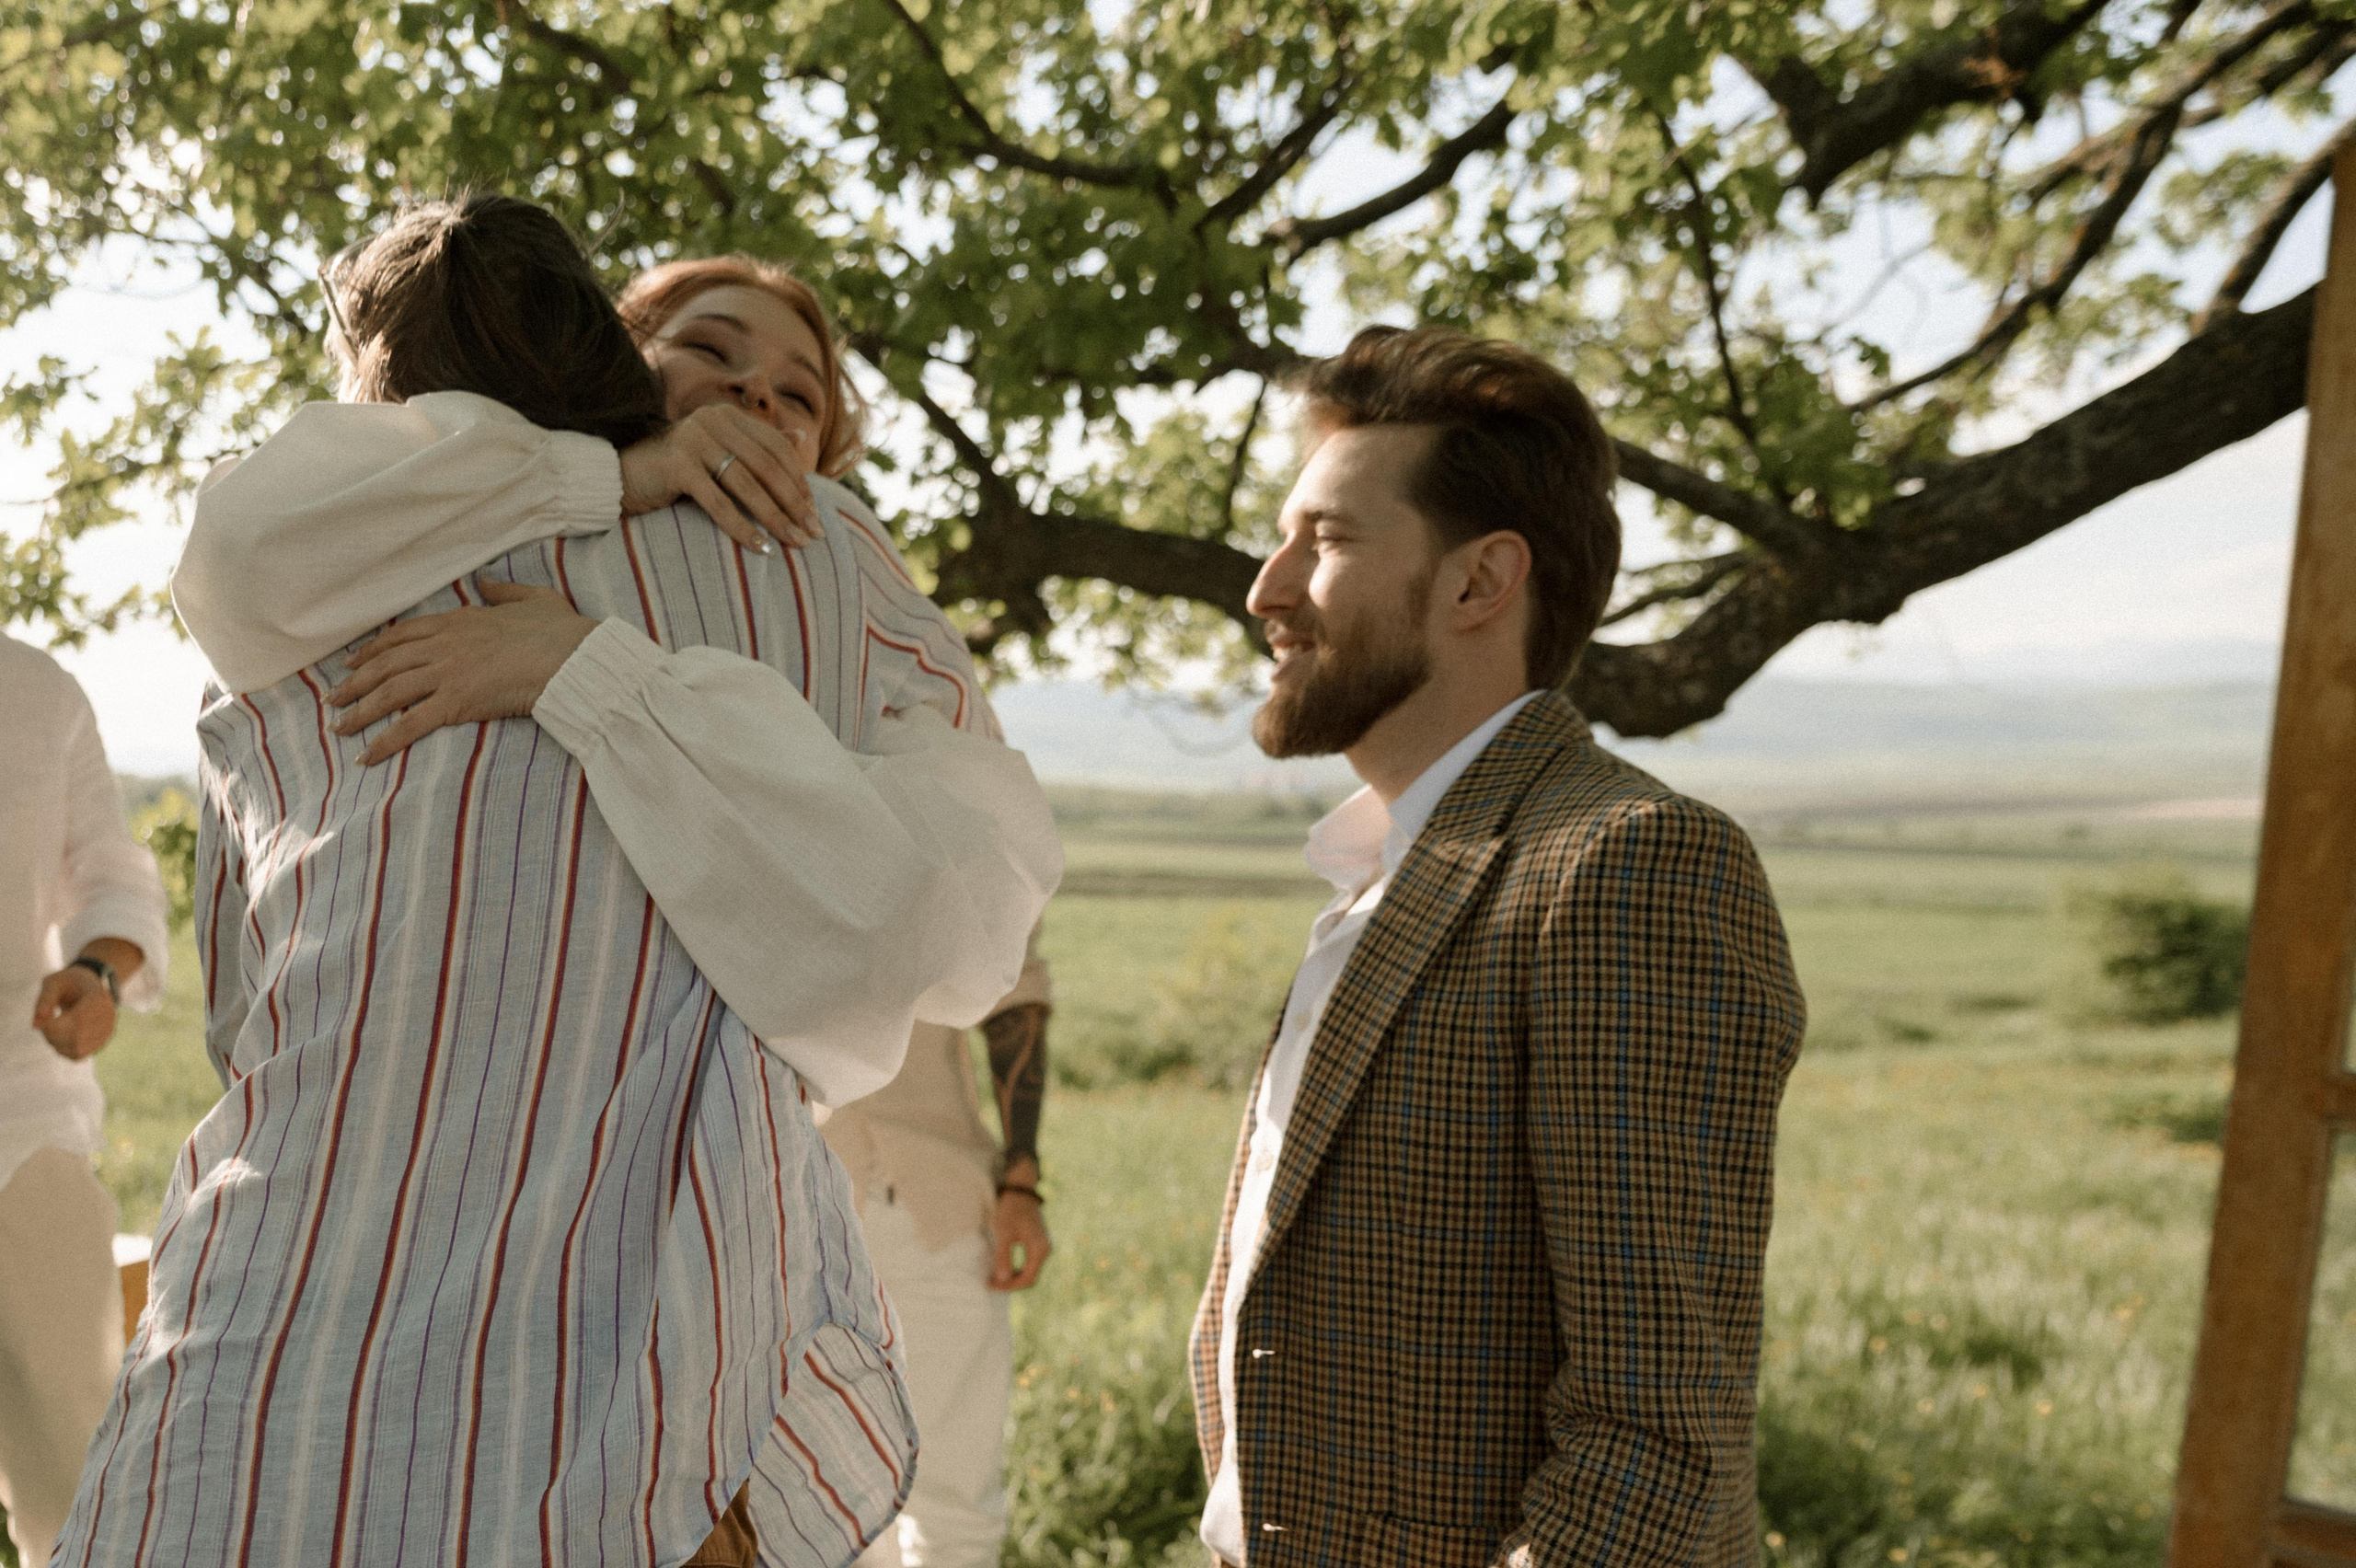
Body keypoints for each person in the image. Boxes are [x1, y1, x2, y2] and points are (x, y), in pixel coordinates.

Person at [57, 195, 1059, 1568]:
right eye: (712, 355)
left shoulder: (317, 567)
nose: (756, 406)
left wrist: (590, 671)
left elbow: (956, 906)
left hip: (342, 1332)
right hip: (602, 1375)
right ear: (618, 350)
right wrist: (604, 489)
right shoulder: (353, 535)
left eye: (798, 395)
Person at [1191, 326, 1806, 1567]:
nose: (1266, 590)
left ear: (1480, 583)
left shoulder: (1627, 866)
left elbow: (1655, 1446)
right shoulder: (1388, 869)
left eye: (1327, 541)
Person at [0, 638, 171, 1568]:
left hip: (23, 1121)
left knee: (80, 1491)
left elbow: (113, 873)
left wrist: (100, 971)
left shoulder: (37, 691)